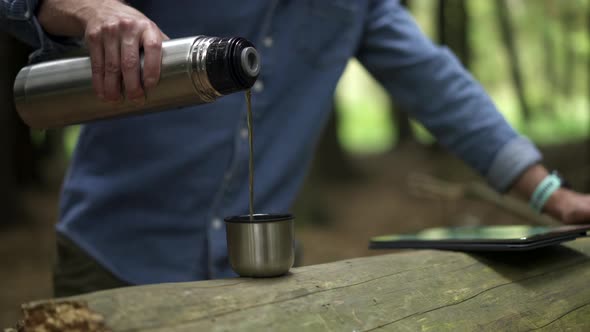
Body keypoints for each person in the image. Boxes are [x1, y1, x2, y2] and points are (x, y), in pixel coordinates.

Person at [2, 0, 590, 297]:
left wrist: (551, 195)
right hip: (112, 261)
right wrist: (90, 7)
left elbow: (438, 85)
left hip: (260, 279)